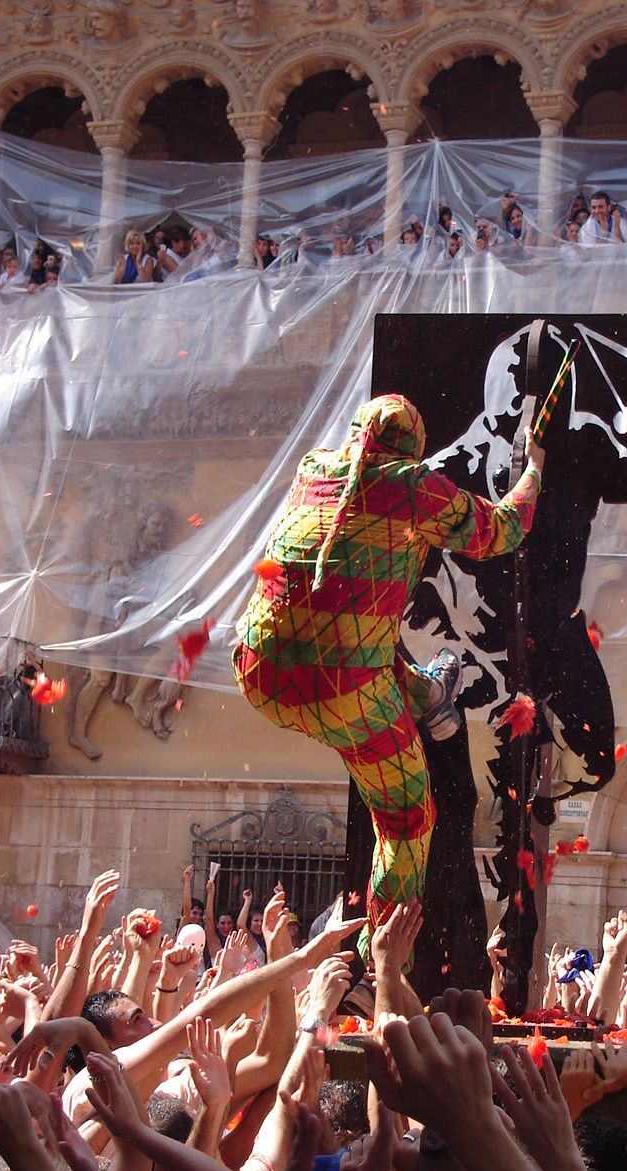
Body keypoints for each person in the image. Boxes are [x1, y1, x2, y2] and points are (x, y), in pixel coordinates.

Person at [233, 393, 545, 963]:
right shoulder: (411, 487)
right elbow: (503, 530)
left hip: (259, 668)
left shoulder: (314, 470)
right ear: (412, 448)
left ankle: (426, 690)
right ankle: (382, 962)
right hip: (343, 689)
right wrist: (534, 468)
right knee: (407, 817)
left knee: (367, 637)